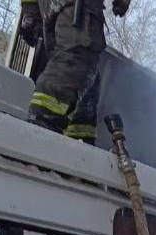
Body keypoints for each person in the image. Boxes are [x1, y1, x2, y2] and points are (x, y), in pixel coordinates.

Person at [19, 0, 129, 142]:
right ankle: (41, 125)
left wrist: (31, 12)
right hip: (77, 6)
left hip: (53, 8)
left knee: (84, 76)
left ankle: (79, 138)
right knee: (74, 59)